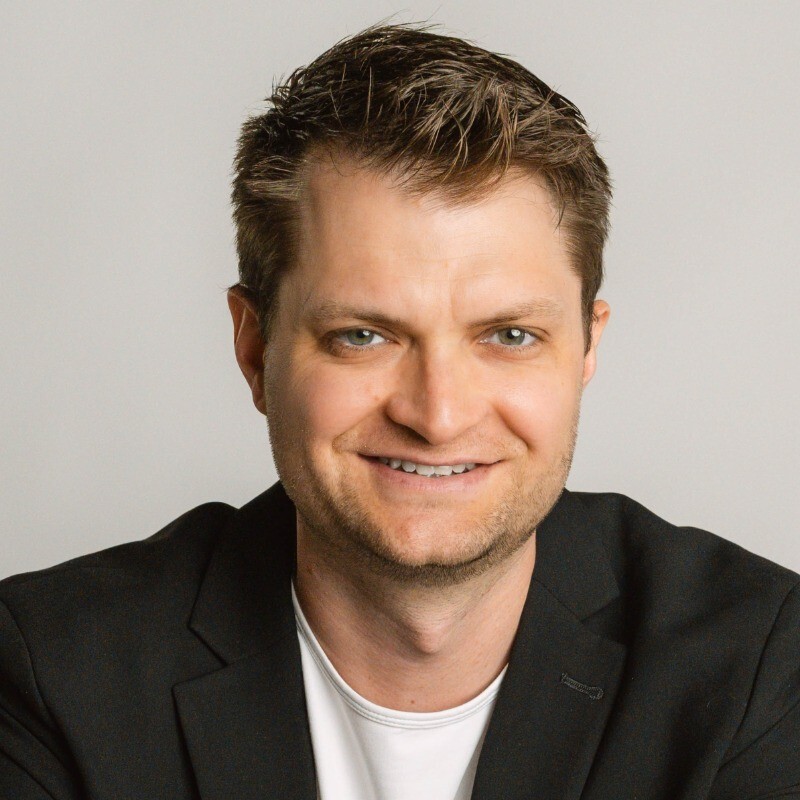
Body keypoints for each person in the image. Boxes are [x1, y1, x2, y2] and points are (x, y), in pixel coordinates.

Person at [1, 22, 798, 800]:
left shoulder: (757, 663)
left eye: (510, 335)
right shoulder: (51, 672)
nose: (439, 415)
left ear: (586, 351)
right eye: (363, 335)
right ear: (255, 348)